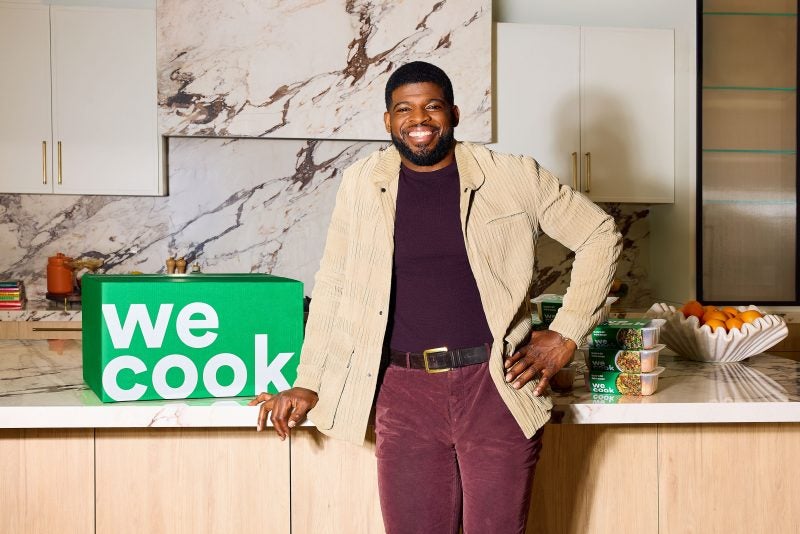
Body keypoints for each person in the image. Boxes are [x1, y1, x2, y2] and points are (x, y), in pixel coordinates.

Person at [250, 61, 621, 533]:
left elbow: (599, 233)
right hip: (402, 393)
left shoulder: (512, 176)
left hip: (494, 386)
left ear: (454, 114)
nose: (419, 119)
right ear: (388, 120)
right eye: (404, 109)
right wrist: (308, 381)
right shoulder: (362, 183)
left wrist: (566, 334)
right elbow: (336, 285)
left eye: (432, 106)